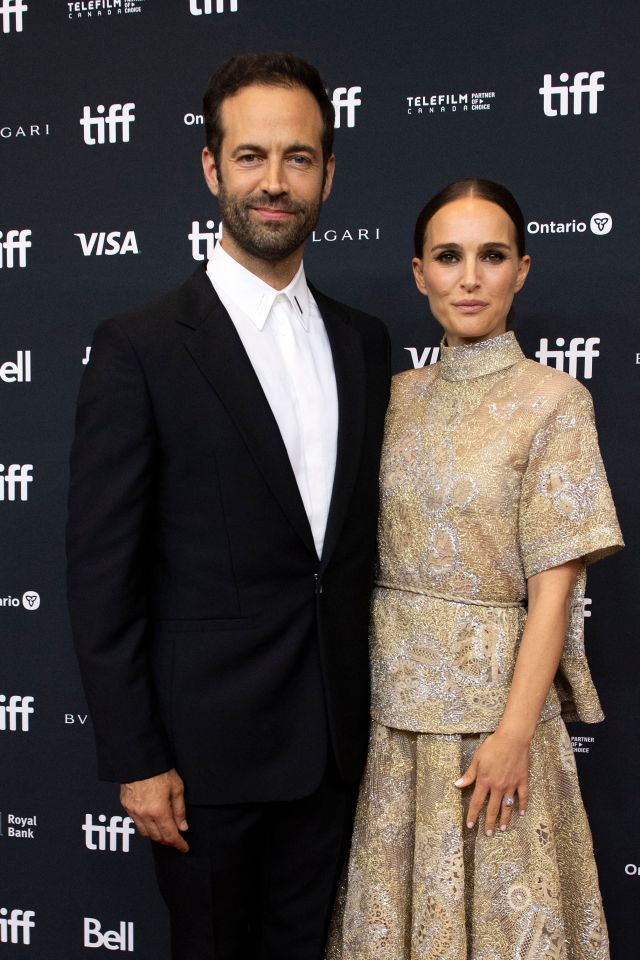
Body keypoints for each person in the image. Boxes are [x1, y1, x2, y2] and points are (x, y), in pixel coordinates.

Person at [66, 52, 391, 960]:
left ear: (329, 173)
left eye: (298, 158)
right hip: (201, 763)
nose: (274, 182)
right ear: (212, 169)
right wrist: (136, 758)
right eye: (251, 157)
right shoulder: (138, 348)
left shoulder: (365, 344)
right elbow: (101, 575)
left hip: (334, 750)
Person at [328, 179, 623, 959]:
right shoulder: (387, 398)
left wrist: (515, 732)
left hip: (496, 728)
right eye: (448, 257)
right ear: (418, 272)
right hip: (388, 726)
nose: (469, 277)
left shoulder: (555, 401)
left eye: (490, 256)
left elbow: (553, 589)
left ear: (521, 270)